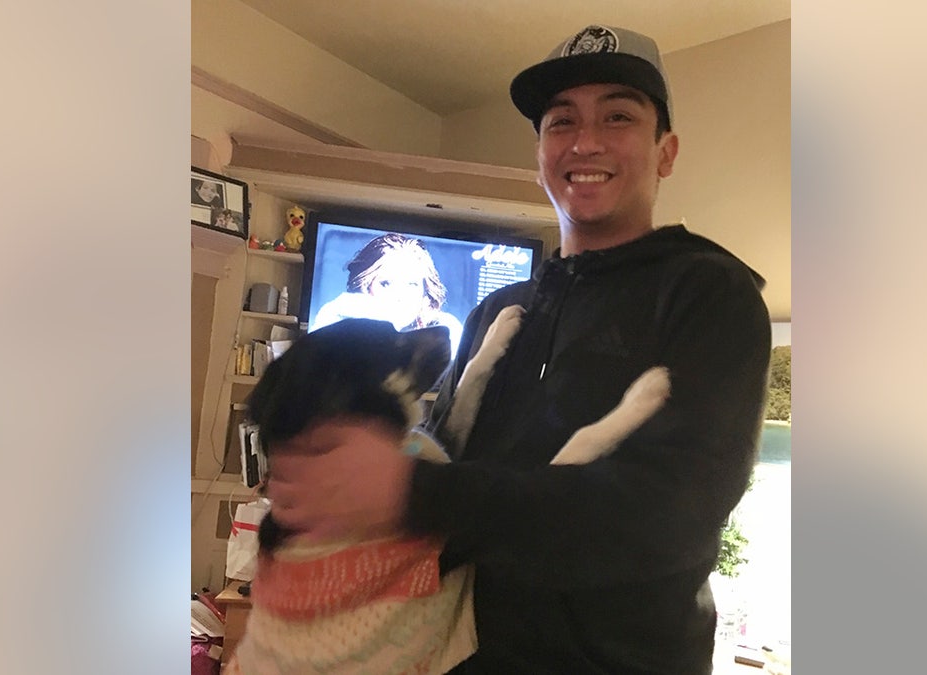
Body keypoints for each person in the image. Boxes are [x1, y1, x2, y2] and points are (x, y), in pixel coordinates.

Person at [264, 24, 772, 674]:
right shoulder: (494, 313)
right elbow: (451, 471)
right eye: (562, 122)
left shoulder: (710, 293)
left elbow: (667, 517)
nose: (585, 141)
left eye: (617, 116)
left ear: (665, 151)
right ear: (539, 155)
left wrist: (409, 488)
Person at [312, 232, 464, 354]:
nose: (400, 296)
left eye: (412, 284)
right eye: (386, 283)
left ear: (425, 293)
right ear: (364, 288)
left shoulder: (446, 330)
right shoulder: (338, 315)